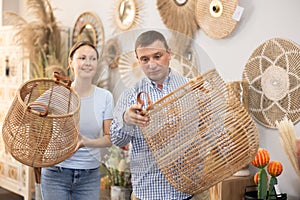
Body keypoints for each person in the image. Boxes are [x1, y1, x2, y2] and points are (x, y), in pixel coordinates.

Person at [110, 30, 193, 200]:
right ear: (138, 59)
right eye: (145, 59)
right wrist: (126, 119)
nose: (152, 64)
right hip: (148, 192)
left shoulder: (189, 88)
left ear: (169, 54)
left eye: (157, 56)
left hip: (186, 191)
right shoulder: (131, 96)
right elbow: (117, 139)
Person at [41, 40, 114, 200]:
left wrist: (86, 141)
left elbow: (109, 139)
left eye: (93, 58)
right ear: (71, 63)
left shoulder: (105, 97)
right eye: (82, 58)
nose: (88, 63)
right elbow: (29, 114)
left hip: (89, 176)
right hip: (56, 173)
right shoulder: (58, 93)